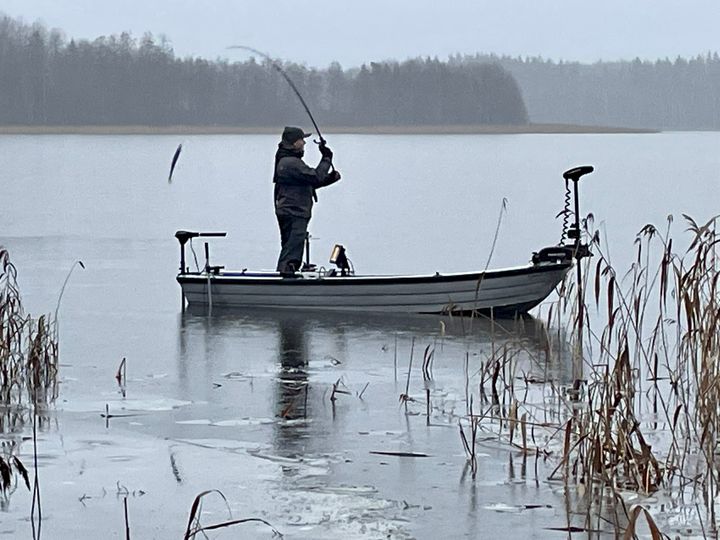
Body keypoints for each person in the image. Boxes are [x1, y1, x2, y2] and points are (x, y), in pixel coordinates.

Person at [273, 126, 341, 276]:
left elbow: (309, 181)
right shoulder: (291, 162)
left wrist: (330, 178)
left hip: (289, 210)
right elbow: (314, 177)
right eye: (301, 140)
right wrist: (326, 159)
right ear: (294, 142)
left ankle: (286, 275)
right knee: (293, 248)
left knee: (291, 246)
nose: (304, 143)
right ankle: (285, 276)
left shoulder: (287, 161)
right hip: (294, 211)